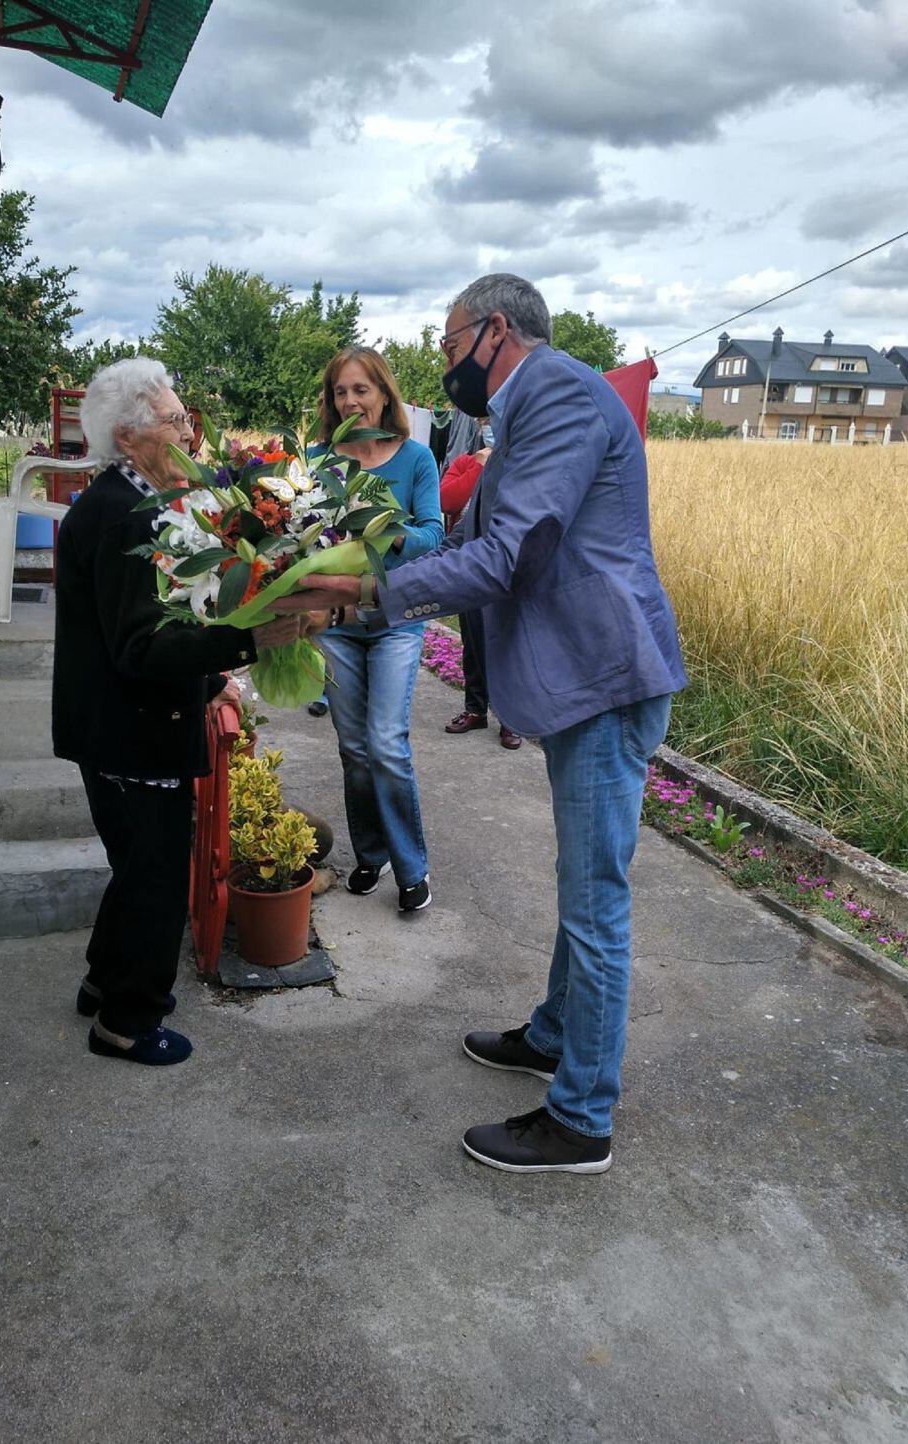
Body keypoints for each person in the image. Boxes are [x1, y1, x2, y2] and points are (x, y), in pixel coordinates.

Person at [273, 275, 687, 1172]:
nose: (444, 362)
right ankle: (551, 1035)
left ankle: (581, 1117)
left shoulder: (562, 397)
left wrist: (373, 592)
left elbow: (511, 553)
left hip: (605, 673)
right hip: (581, 673)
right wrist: (345, 585)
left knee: (594, 901)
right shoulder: (527, 408)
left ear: (496, 330)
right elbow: (466, 541)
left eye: (451, 344)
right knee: (580, 881)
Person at [52, 357, 299, 1066]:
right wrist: (247, 638)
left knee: (135, 864)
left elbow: (135, 633)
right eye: (173, 421)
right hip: (131, 729)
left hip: (115, 722)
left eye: (186, 417)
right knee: (158, 876)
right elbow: (140, 648)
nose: (190, 431)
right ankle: (127, 1021)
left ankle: (104, 983)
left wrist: (207, 677)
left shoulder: (130, 498)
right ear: (129, 437)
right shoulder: (126, 516)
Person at [314, 346, 444, 913]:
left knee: (387, 744)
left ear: (385, 394)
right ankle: (371, 855)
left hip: (394, 619)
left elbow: (434, 535)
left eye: (361, 390)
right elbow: (305, 536)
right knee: (354, 749)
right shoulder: (319, 460)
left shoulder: (416, 459)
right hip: (337, 622)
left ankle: (412, 868)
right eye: (341, 392)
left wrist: (385, 531)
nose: (351, 401)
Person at [439, 426, 522, 750]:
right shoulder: (462, 462)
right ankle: (475, 709)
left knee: (505, 642)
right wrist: (478, 466)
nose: (489, 429)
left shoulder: (518, 465)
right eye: (484, 424)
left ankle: (510, 719)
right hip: (468, 562)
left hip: (505, 565)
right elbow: (448, 500)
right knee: (472, 639)